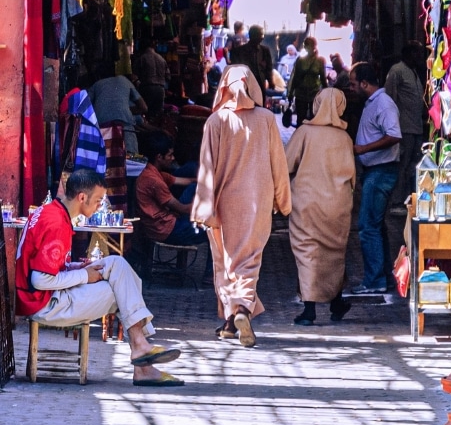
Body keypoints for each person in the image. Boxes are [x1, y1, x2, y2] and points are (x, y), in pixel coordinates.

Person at [15, 169, 184, 387]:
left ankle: (141, 350)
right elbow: (40, 280)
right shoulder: (56, 223)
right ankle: (142, 358)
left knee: (117, 264)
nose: (98, 207)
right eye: (97, 201)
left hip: (48, 295)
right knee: (121, 291)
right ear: (82, 197)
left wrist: (77, 266)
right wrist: (84, 275)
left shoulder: (51, 211)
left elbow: (46, 265)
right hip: (45, 304)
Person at [191, 65, 291, 347]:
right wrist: (283, 201)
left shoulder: (215, 121)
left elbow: (206, 169)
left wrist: (202, 208)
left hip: (222, 206)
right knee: (248, 261)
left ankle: (229, 321)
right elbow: (278, 165)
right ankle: (242, 311)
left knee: (223, 262)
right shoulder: (267, 119)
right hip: (257, 203)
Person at [286, 88, 356, 325]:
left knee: (308, 253)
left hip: (306, 203)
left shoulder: (304, 133)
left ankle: (309, 310)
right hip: (337, 204)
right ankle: (336, 302)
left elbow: (287, 165)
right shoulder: (345, 138)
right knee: (334, 254)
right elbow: (353, 177)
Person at [348, 62, 402, 295]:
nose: (350, 88)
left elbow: (394, 135)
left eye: (353, 83)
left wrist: (363, 149)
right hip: (375, 170)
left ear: (364, 83)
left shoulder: (383, 103)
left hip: (381, 170)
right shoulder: (373, 103)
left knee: (368, 225)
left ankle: (374, 280)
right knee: (376, 226)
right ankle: (384, 277)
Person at [384, 41, 426, 211]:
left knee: (412, 165)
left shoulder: (413, 72)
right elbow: (389, 99)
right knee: (402, 166)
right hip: (403, 128)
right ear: (408, 54)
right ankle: (396, 201)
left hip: (416, 127)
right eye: (416, 53)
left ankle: (407, 199)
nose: (419, 57)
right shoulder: (397, 71)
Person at [87, 62, 147, 154]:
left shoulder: (96, 85)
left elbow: (85, 106)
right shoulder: (124, 80)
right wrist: (126, 110)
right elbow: (144, 107)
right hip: (125, 127)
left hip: (103, 127)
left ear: (98, 76)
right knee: (132, 160)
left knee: (106, 161)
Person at [287, 37, 328, 125]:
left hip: (314, 94)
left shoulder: (320, 61)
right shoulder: (300, 60)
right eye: (306, 45)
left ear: (314, 46)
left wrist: (327, 93)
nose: (308, 47)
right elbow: (295, 78)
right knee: (300, 119)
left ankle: (311, 137)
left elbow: (323, 79)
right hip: (301, 94)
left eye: (309, 45)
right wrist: (290, 93)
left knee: (314, 119)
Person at [230, 24, 274, 102]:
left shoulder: (265, 51)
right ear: (253, 36)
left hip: (260, 83)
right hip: (246, 84)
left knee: (260, 105)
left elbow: (269, 68)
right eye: (261, 34)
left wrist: (271, 81)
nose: (263, 37)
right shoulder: (239, 51)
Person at [135, 38, 170, 116]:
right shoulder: (162, 59)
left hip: (147, 88)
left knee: (146, 114)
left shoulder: (142, 58)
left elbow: (135, 75)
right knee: (158, 116)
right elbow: (168, 77)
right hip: (161, 89)